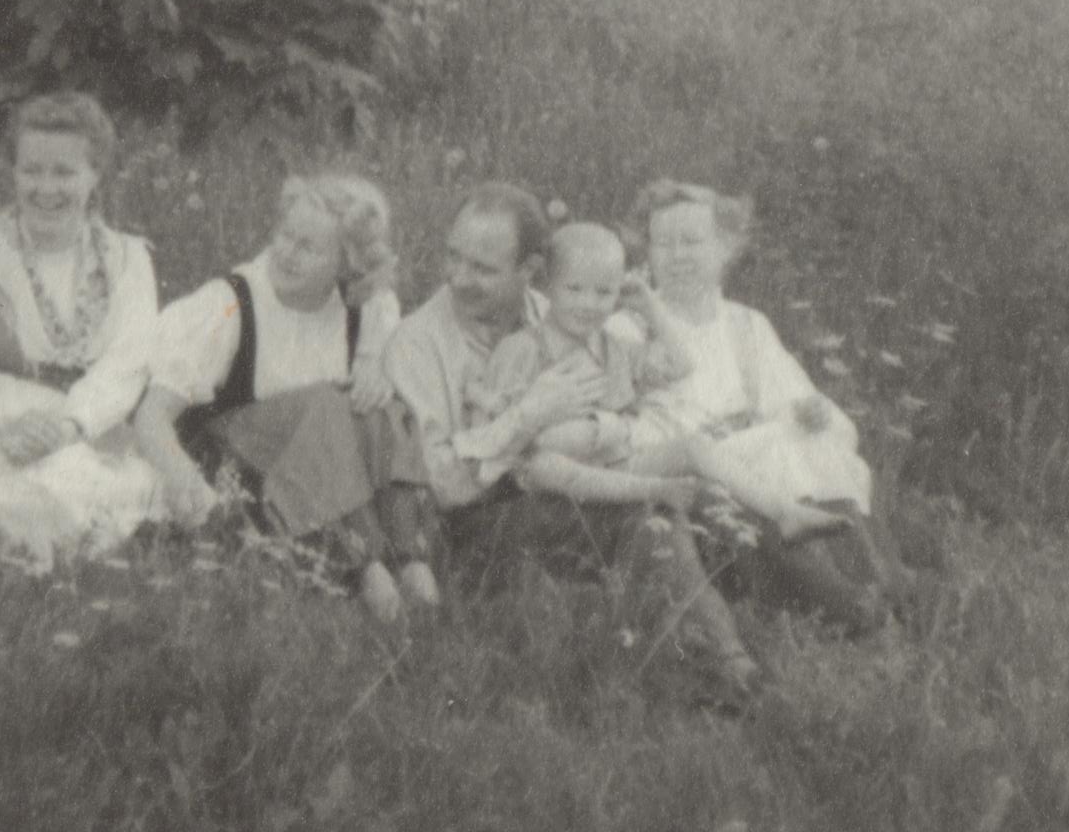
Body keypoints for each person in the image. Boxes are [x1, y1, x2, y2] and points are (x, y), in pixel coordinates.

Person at [383, 182, 762, 699]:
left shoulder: (559, 307)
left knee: (697, 500)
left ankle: (752, 639)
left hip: (564, 488)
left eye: (483, 269)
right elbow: (443, 488)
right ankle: (722, 669)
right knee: (647, 518)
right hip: (478, 522)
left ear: (531, 270)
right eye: (454, 257)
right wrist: (528, 415)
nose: (458, 278)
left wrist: (605, 430)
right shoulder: (418, 343)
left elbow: (634, 388)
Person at [134, 174, 438, 623]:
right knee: (327, 405)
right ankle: (365, 570)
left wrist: (376, 364)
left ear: (347, 265)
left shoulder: (363, 307)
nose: (287, 253)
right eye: (285, 235)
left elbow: (383, 330)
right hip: (237, 474)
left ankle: (411, 558)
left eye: (308, 247)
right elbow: (151, 417)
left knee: (383, 409)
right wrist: (183, 479)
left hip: (322, 477)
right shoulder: (231, 304)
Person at [630, 179, 896, 633]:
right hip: (694, 464)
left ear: (726, 248)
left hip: (753, 452)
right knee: (776, 457)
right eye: (663, 243)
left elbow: (787, 396)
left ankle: (874, 584)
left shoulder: (745, 325)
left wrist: (809, 412)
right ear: (646, 253)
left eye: (692, 242)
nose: (677, 256)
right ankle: (850, 603)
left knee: (812, 446)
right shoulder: (634, 326)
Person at [0, 93, 165, 569]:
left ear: (95, 175)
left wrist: (71, 425)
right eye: (31, 171)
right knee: (31, 501)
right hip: (0, 427)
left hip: (88, 425)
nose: (46, 189)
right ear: (12, 171)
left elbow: (128, 364)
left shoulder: (128, 260)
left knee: (117, 491)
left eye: (64, 173)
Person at [476, 222, 693, 472]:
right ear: (548, 285)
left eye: (604, 293)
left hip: (617, 472)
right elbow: (494, 435)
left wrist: (651, 308)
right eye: (574, 289)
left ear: (619, 293)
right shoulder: (522, 349)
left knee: (696, 449)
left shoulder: (615, 349)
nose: (588, 304)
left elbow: (681, 366)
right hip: (547, 480)